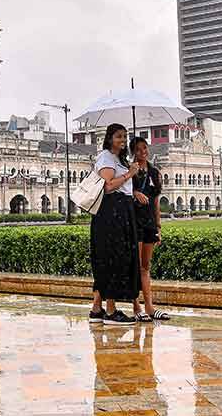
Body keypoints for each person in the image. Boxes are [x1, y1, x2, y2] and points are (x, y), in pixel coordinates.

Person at [88, 123, 141, 326]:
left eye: (125, 136)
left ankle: (96, 308)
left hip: (121, 211)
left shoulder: (119, 159)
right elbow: (108, 186)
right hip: (111, 213)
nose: (123, 140)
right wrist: (129, 174)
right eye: (119, 136)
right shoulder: (106, 157)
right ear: (109, 138)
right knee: (112, 258)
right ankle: (110, 311)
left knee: (106, 258)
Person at [129, 136, 170, 322]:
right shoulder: (129, 171)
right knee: (135, 266)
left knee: (145, 267)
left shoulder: (154, 172)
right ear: (132, 152)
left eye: (144, 148)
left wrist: (158, 227)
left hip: (149, 223)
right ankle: (136, 307)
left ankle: (150, 307)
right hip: (133, 222)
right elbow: (120, 194)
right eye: (138, 149)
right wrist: (134, 192)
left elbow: (155, 203)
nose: (142, 152)